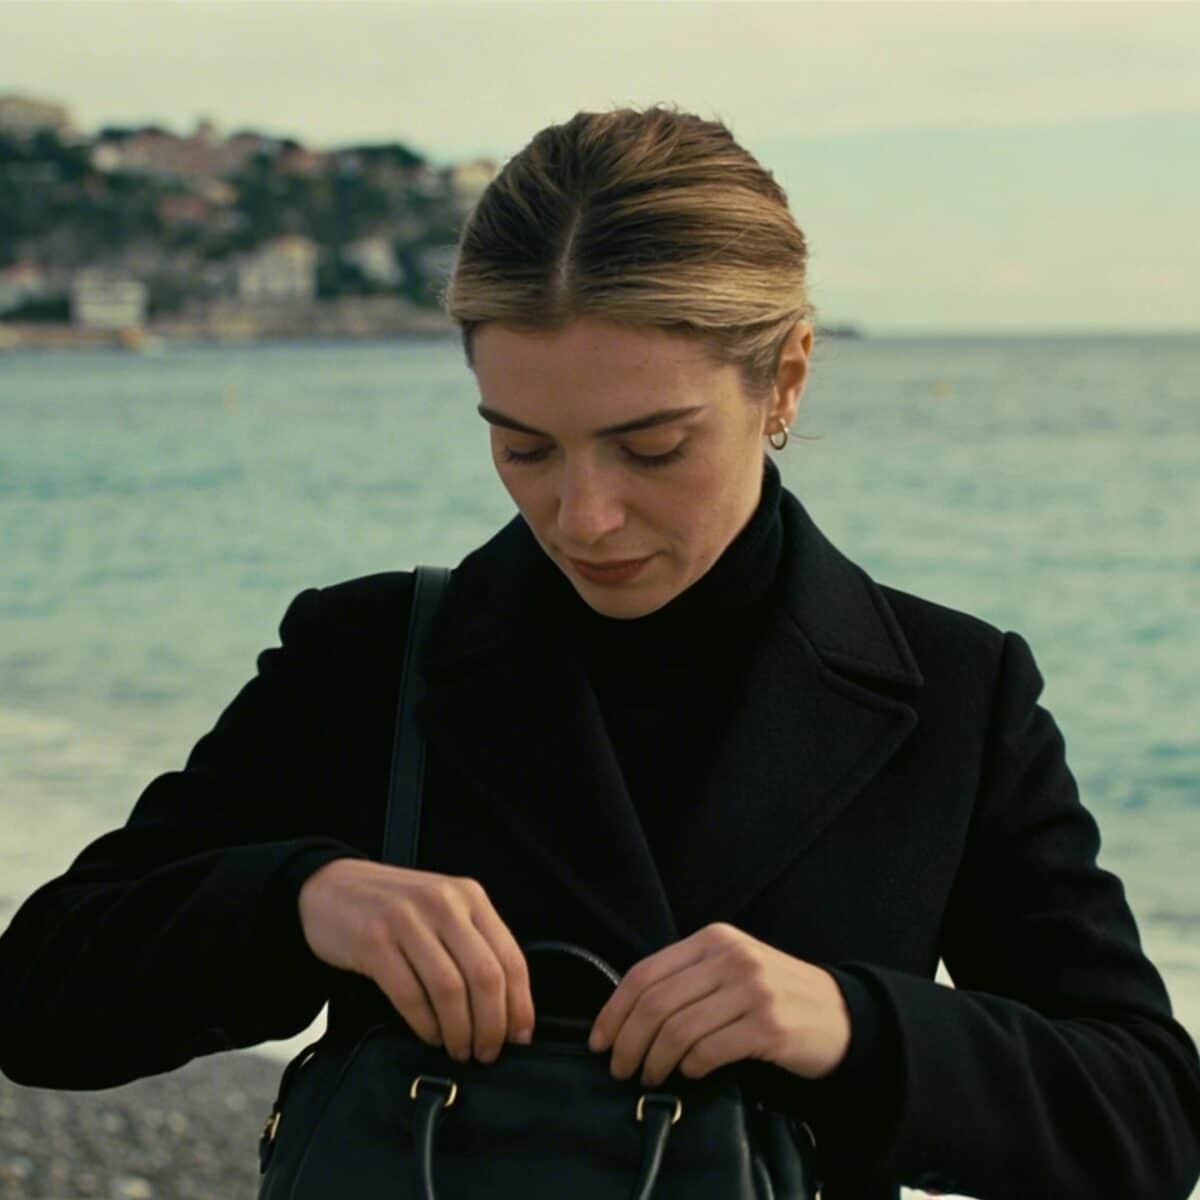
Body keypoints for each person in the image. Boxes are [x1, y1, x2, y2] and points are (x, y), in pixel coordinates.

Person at [1, 104, 1197, 1200]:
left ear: (783, 379)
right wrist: (302, 898)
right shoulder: (373, 655)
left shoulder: (954, 692)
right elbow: (38, 1000)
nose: (583, 516)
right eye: (523, 448)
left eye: (652, 448)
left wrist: (843, 1022)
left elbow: (1148, 1123)